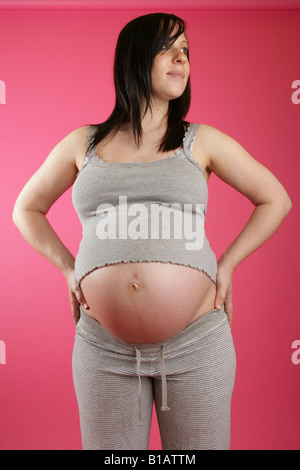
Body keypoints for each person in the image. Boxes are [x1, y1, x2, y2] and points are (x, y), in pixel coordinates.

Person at [12, 12, 292, 451]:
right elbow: (26, 209)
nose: (182, 58)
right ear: (136, 57)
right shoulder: (81, 143)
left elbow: (276, 198)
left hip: (197, 344)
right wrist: (70, 270)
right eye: (169, 47)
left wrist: (228, 264)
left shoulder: (200, 141)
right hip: (103, 349)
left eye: (187, 51)